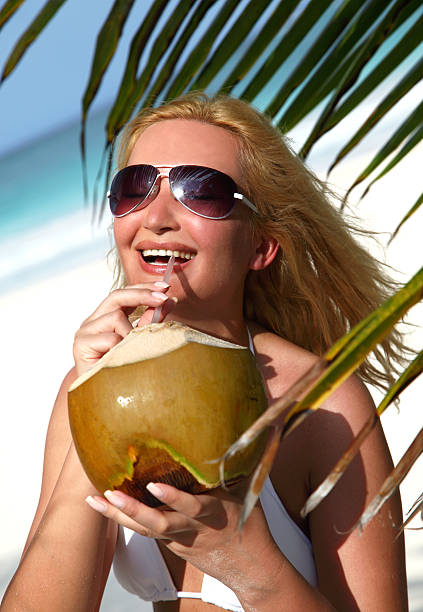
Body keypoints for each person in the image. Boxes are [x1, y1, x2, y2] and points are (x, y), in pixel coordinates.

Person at [2, 93, 408, 611]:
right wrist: (96, 400)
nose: (157, 217)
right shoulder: (82, 387)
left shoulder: (320, 406)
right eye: (134, 188)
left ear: (261, 246)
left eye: (203, 191)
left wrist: (247, 561)